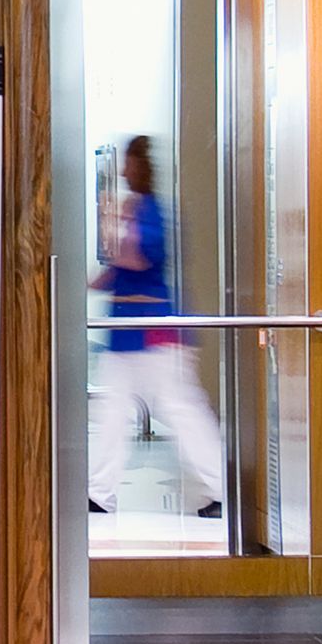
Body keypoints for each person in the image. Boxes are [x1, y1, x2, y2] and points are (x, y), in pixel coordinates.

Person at [89, 135, 225, 519]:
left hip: (154, 332)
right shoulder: (136, 209)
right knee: (113, 409)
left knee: (181, 409)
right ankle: (99, 492)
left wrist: (114, 221)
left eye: (129, 164)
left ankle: (220, 486)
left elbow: (137, 259)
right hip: (126, 333)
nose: (123, 171)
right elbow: (113, 271)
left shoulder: (152, 211)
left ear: (141, 167)